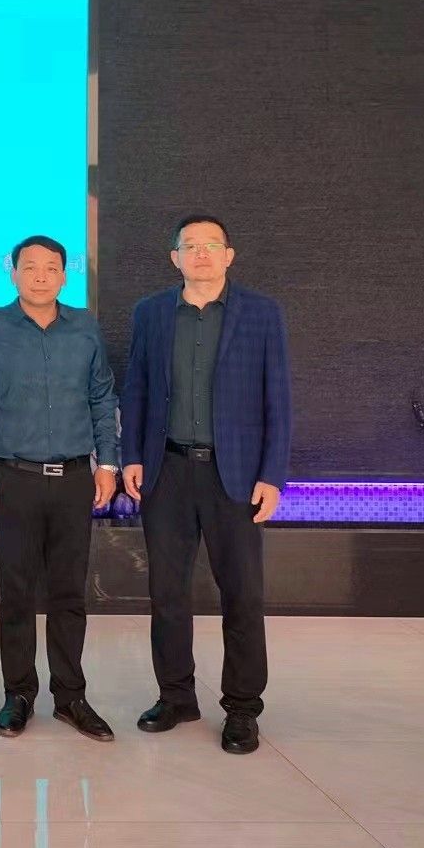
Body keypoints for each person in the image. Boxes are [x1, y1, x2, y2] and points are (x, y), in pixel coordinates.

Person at [121, 215, 292, 755]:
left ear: (229, 255)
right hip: (167, 470)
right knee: (167, 593)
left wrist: (272, 475)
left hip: (234, 475)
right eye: (189, 246)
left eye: (210, 245)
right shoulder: (151, 313)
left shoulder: (262, 314)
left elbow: (278, 400)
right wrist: (131, 456)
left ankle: (242, 708)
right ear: (174, 257)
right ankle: (176, 696)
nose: (200, 254)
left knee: (242, 594)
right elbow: (136, 388)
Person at [0, 235, 119, 742]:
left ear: (64, 275)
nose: (40, 276)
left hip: (74, 478)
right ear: (13, 273)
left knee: (69, 592)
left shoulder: (85, 327)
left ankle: (71, 696)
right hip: (15, 478)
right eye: (29, 267)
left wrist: (108, 463)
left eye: (51, 267)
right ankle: (19, 694)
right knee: (17, 592)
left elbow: (102, 397)